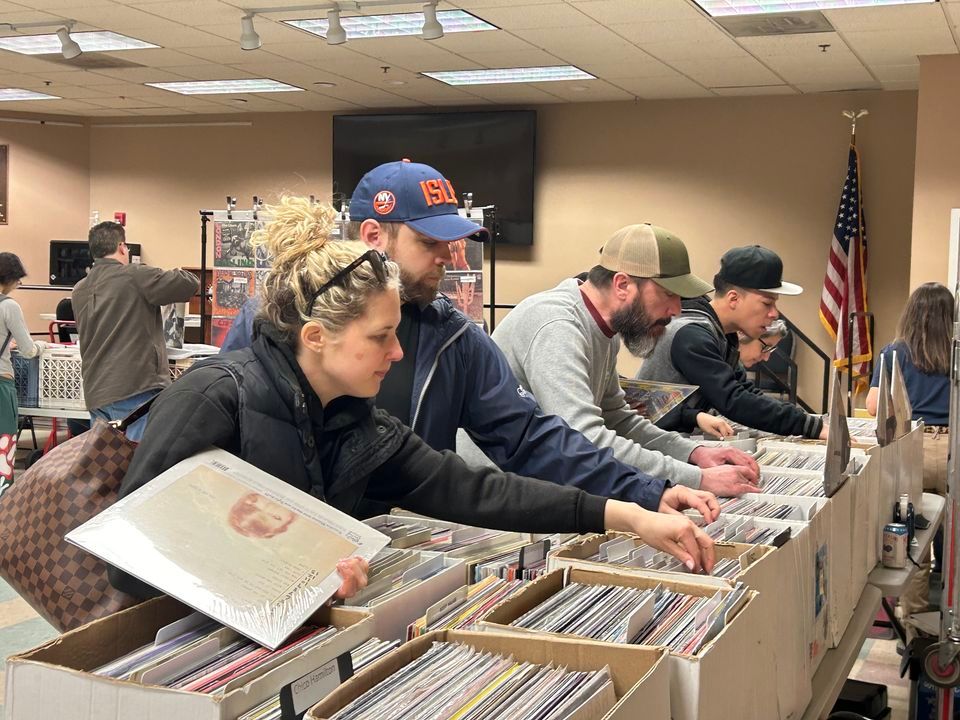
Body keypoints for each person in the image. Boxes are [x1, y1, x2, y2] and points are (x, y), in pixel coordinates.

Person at [109, 197, 717, 601]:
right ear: (316, 337)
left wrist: (627, 513)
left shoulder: (361, 424)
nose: (398, 352)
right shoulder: (212, 397)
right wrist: (290, 576)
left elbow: (474, 490)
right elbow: (130, 561)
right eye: (380, 337)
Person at [222, 162, 717, 516]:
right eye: (429, 242)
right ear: (373, 235)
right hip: (276, 553)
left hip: (398, 552)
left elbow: (532, 438)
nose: (449, 257)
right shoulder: (273, 316)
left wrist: (645, 491)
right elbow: (225, 455)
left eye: (450, 242)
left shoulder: (455, 337)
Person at [460, 224, 760, 497]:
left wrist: (694, 453)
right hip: (495, 491)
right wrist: (697, 478)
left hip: (535, 483)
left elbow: (617, 418)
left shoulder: (604, 330)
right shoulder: (557, 325)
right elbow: (584, 438)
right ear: (622, 285)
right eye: (668, 294)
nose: (676, 310)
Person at [637, 245, 828, 440]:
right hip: (651, 444)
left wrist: (808, 421)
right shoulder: (692, 334)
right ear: (734, 299)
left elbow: (745, 391)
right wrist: (811, 427)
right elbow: (734, 400)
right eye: (767, 303)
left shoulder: (722, 335)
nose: (774, 313)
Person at [866, 282, 952, 621]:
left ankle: (914, 622)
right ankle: (953, 617)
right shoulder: (957, 352)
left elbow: (874, 405)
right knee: (955, 541)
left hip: (912, 447)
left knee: (916, 539)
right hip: (954, 450)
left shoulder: (894, 352)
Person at [72, 222, 199, 441]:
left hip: (96, 390)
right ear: (122, 247)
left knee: (105, 457)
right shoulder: (134, 276)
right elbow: (188, 284)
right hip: (135, 386)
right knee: (138, 456)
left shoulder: (79, 289)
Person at [0, 253, 45, 492]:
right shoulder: (9, 306)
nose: (19, 284)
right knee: (3, 446)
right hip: (1, 383)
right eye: (18, 279)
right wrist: (42, 346)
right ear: (9, 277)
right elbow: (28, 350)